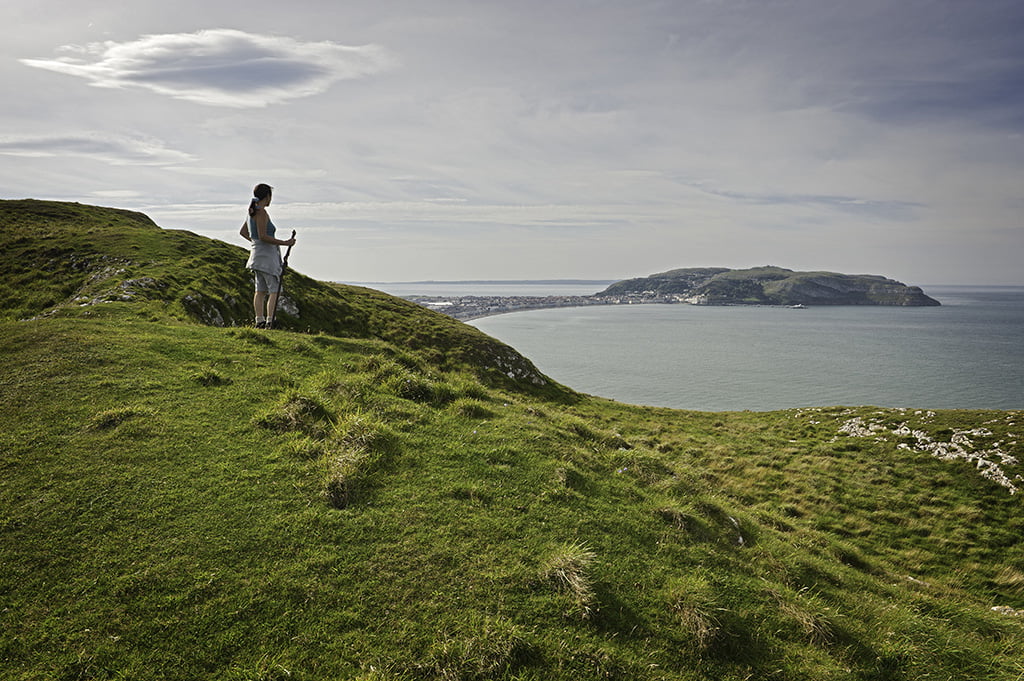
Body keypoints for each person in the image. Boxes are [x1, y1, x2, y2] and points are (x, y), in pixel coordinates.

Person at [240, 183, 296, 328]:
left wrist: (255, 244)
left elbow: (244, 233)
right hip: (267, 257)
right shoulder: (261, 212)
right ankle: (270, 321)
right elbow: (263, 236)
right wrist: (285, 242)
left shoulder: (251, 211)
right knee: (274, 290)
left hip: (256, 255)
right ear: (267, 197)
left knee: (260, 290)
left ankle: (259, 321)